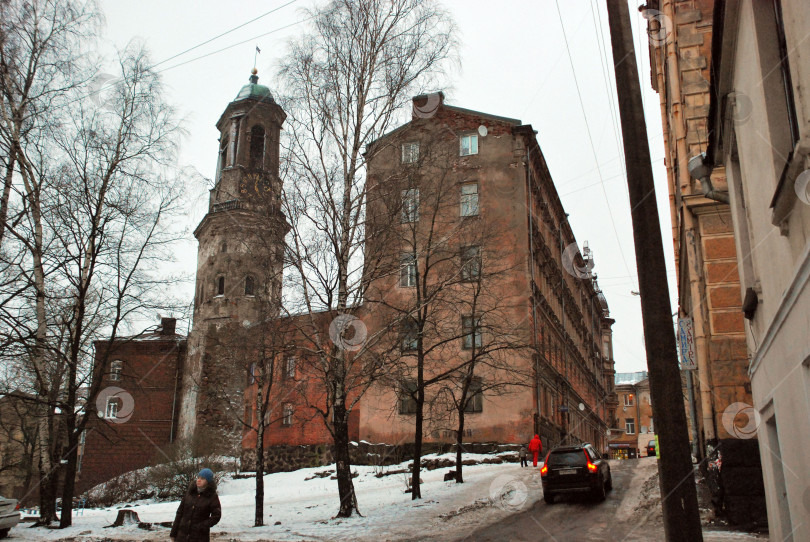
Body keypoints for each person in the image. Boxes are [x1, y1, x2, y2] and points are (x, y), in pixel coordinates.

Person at [170, 468, 222, 542]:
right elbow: (179, 513)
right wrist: (173, 533)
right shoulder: (190, 493)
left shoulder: (212, 496)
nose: (199, 480)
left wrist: (202, 526)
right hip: (182, 536)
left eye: (202, 478)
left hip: (199, 537)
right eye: (198, 477)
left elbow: (216, 516)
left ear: (208, 481)